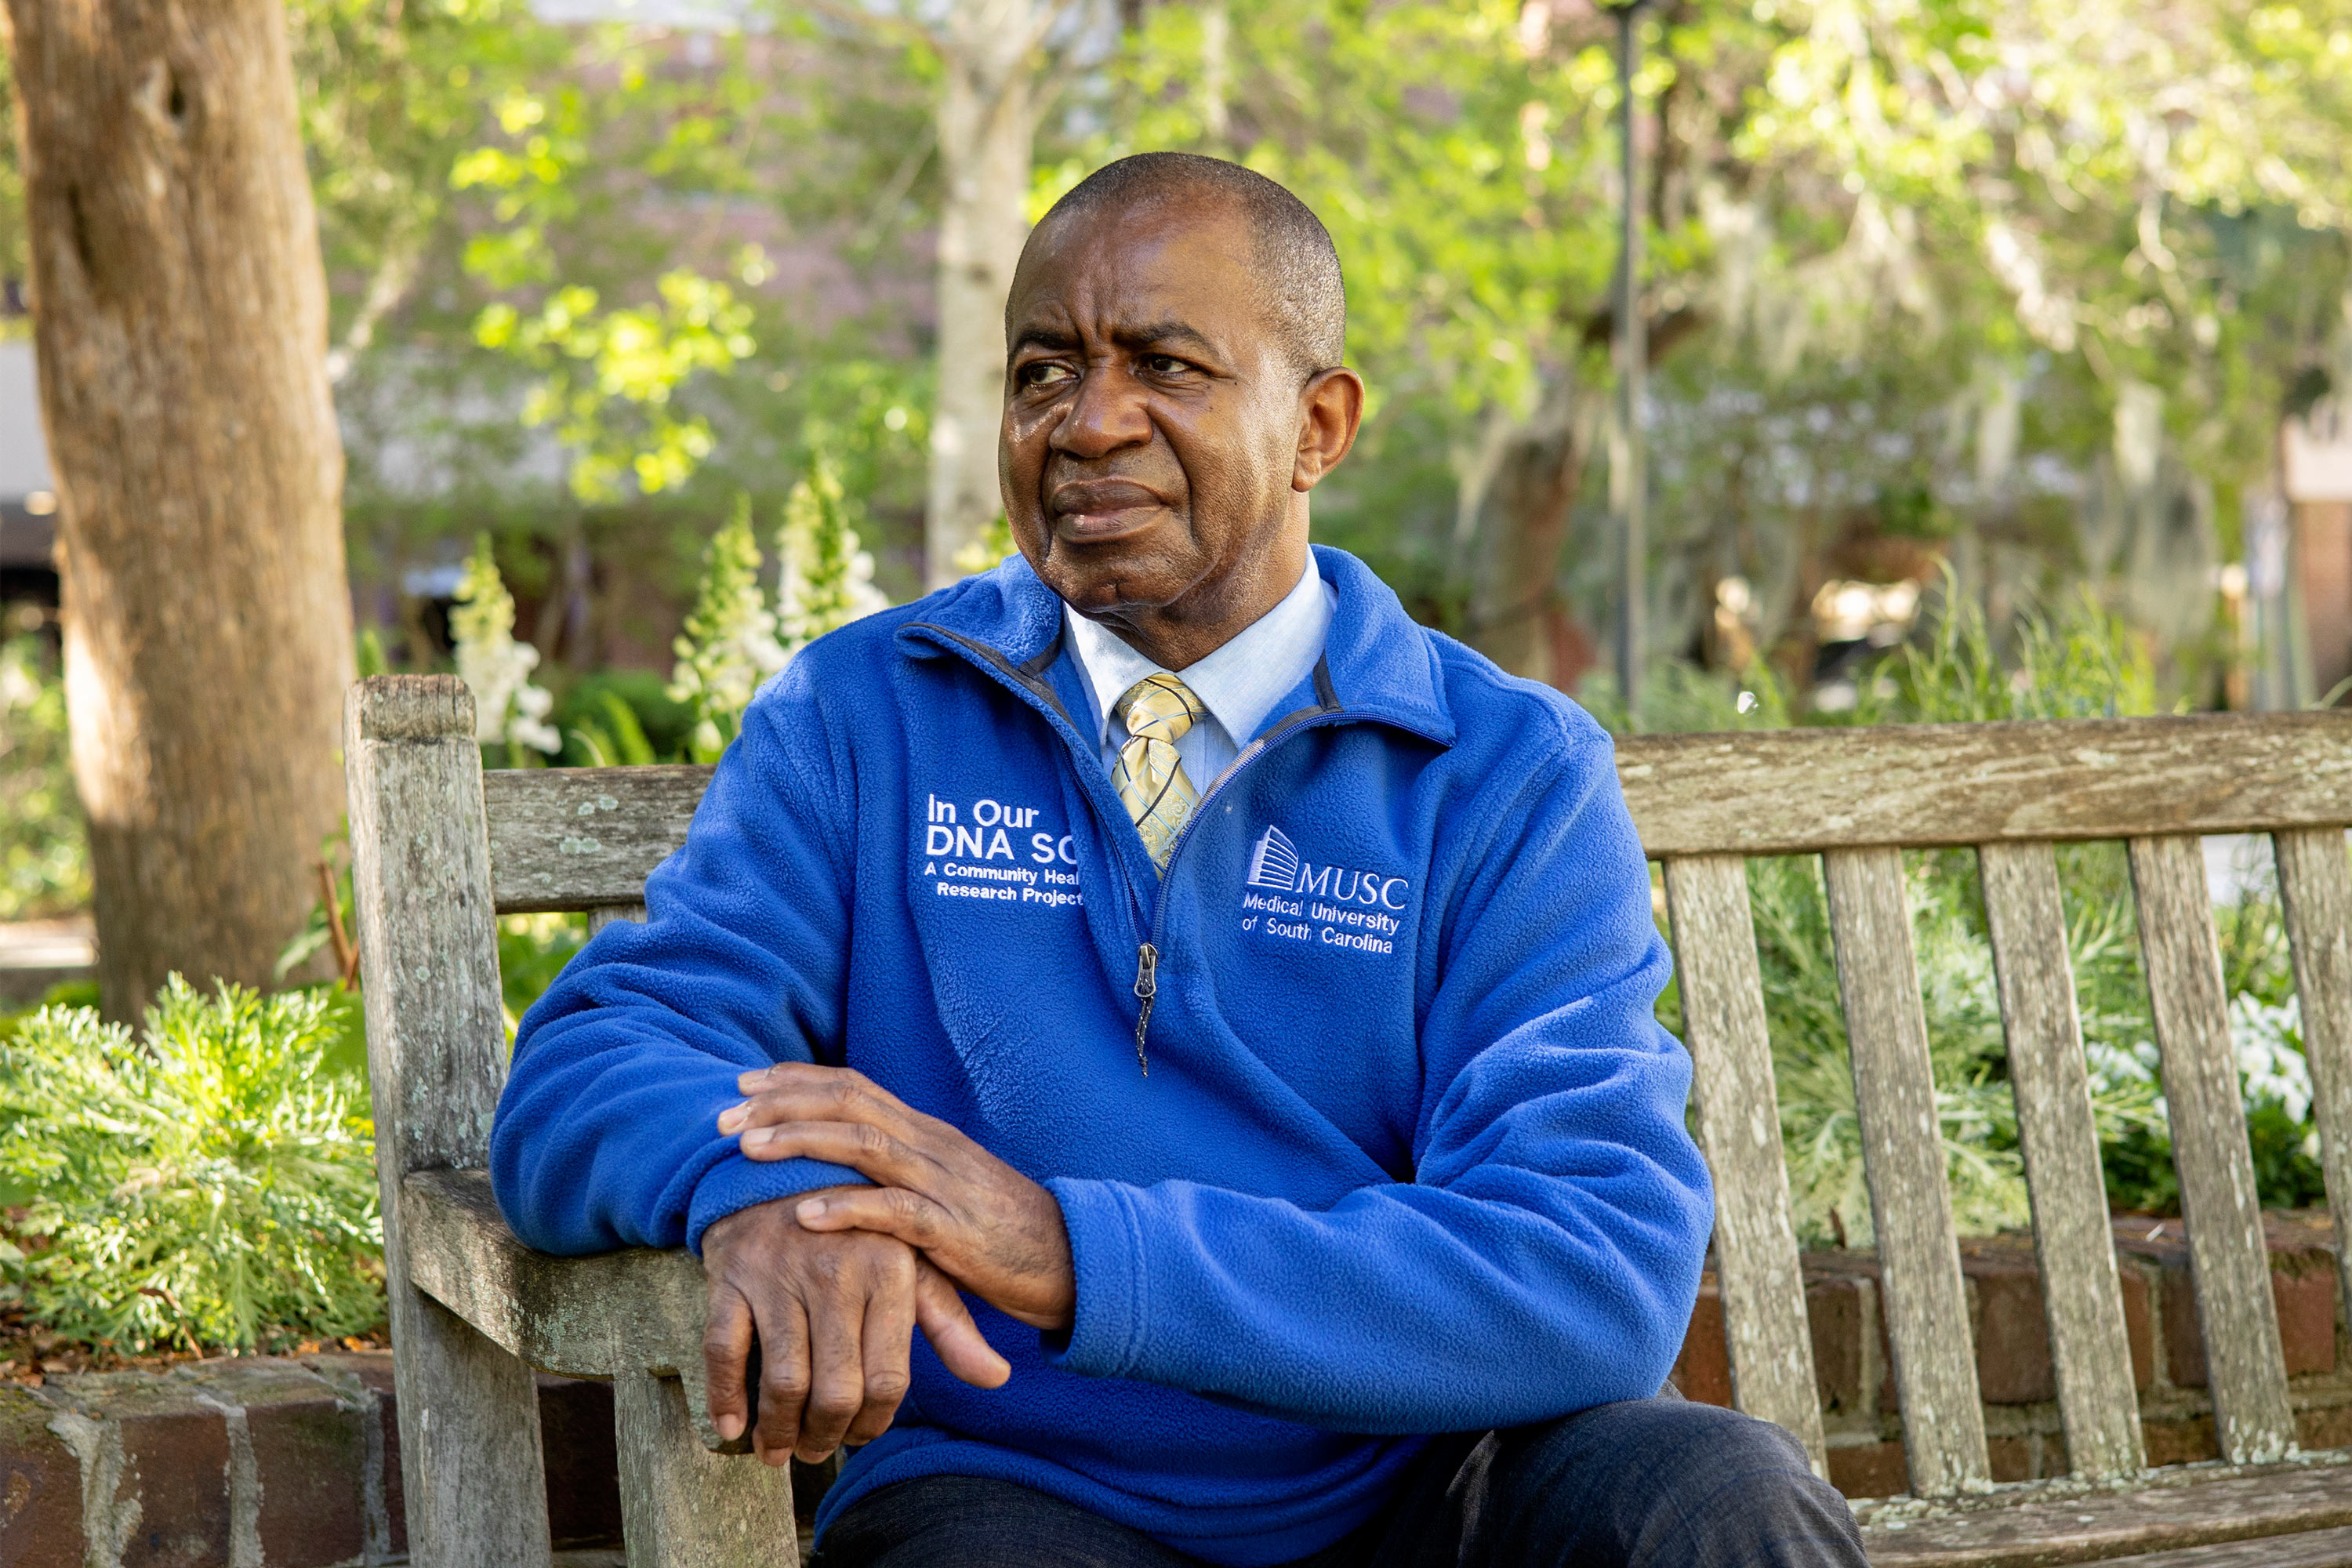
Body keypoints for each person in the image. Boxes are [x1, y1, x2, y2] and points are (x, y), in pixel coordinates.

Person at [491, 152, 1867, 1568]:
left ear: (1318, 424)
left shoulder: (1502, 770)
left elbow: (1594, 1262)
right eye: (1043, 372)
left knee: (1719, 1506)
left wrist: (1070, 1249)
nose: (1089, 424)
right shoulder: (869, 715)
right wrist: (757, 1188)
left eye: (1164, 364)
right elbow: (600, 1059)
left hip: (1422, 1483)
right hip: (1017, 1491)